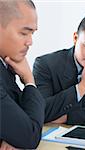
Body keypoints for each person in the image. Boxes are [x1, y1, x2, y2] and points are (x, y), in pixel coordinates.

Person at [0, 0, 45, 149]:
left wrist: (12, 135)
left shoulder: (5, 65)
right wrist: (29, 81)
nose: (30, 42)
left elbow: (22, 115)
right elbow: (29, 136)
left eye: (32, 33)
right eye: (24, 33)